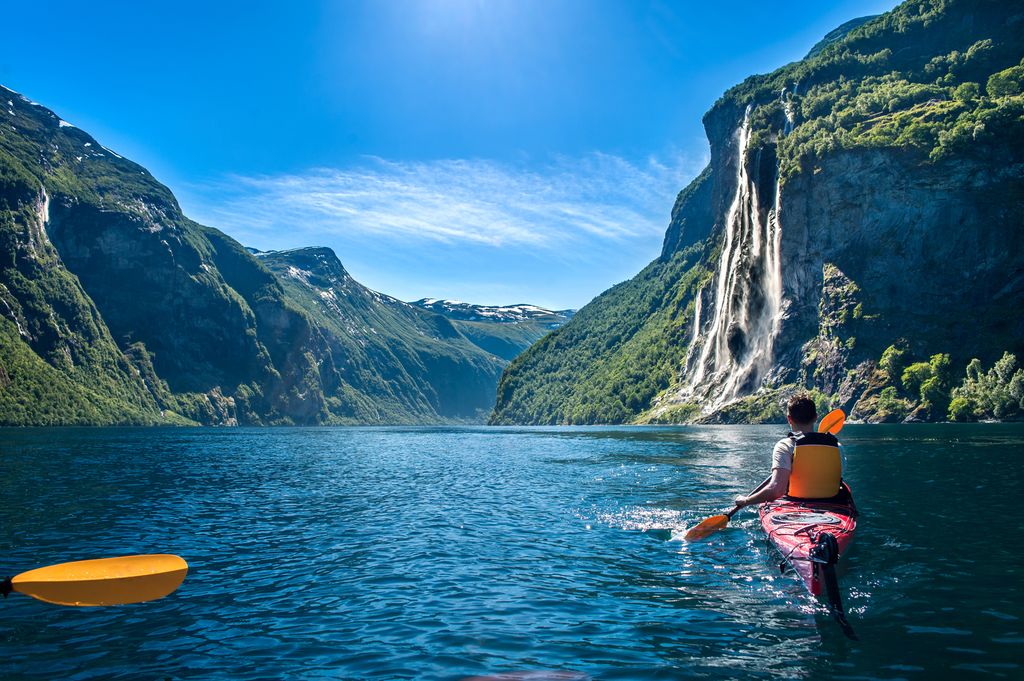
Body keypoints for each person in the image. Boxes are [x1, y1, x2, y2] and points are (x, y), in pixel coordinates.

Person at [732, 393, 850, 509]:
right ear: (816, 417)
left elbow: (777, 490)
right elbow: (838, 478)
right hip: (832, 503)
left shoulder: (785, 446)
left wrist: (746, 501)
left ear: (789, 419)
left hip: (795, 504)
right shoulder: (837, 446)